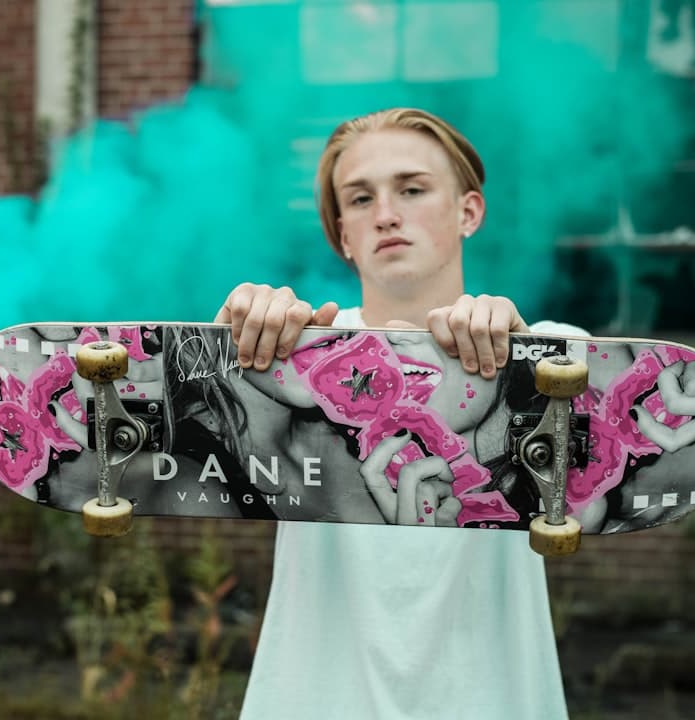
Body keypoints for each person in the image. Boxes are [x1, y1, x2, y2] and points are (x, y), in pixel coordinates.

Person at [215, 108, 581, 719]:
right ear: (342, 235)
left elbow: (592, 429)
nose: (386, 213)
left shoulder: (553, 350)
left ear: (468, 212)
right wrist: (237, 340)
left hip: (491, 700)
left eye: (411, 189)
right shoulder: (292, 359)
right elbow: (213, 415)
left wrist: (522, 363)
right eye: (360, 199)